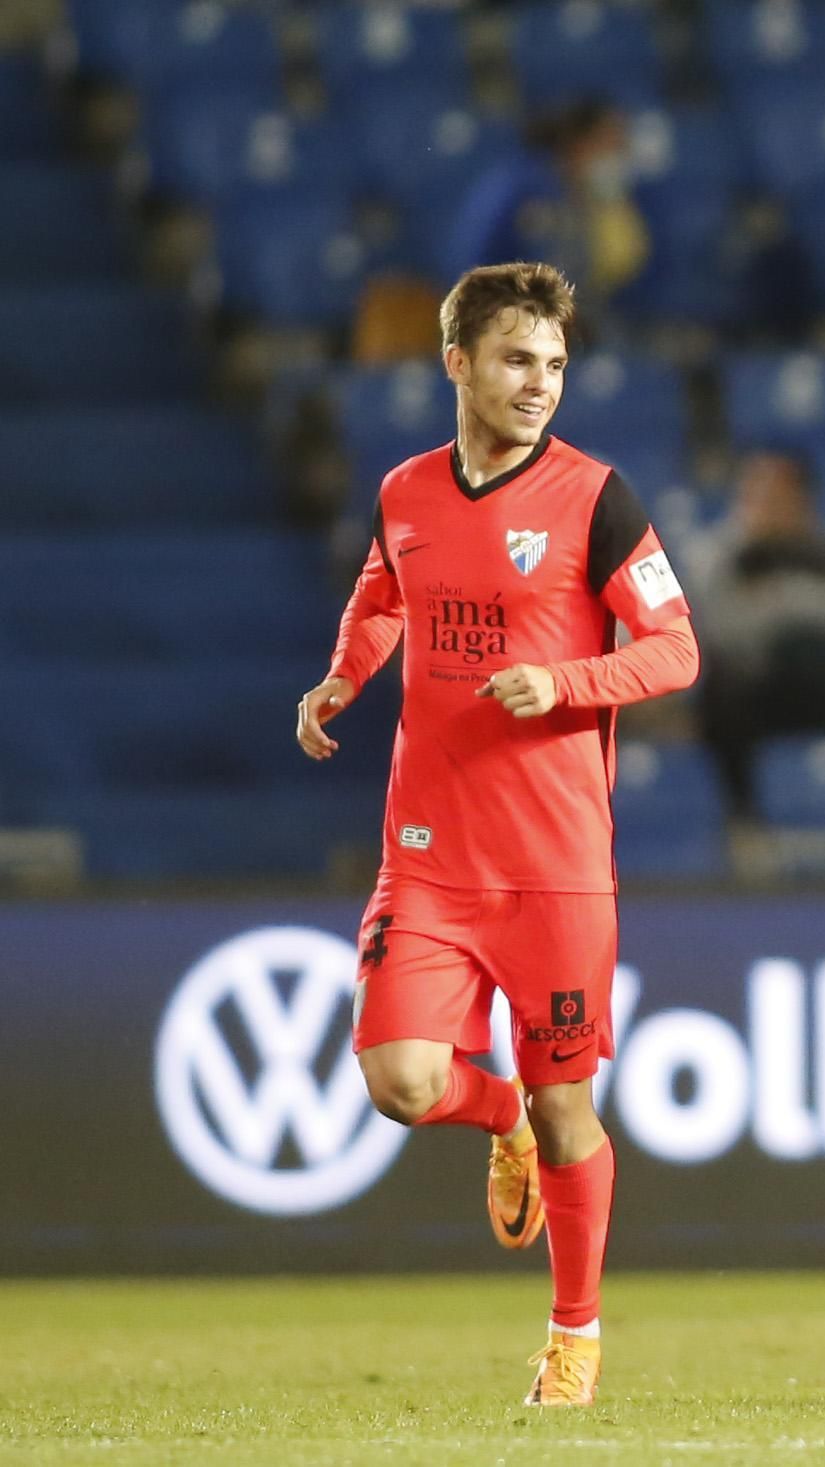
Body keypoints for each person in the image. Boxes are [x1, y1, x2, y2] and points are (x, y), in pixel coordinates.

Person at [294, 263, 699, 1407]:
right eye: (519, 361)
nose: (540, 385)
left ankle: (574, 1341)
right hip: (427, 855)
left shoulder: (597, 497)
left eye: (557, 365)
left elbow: (675, 649)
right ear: (457, 362)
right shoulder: (407, 492)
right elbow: (382, 597)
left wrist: (565, 681)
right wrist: (342, 678)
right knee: (403, 1082)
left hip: (556, 869)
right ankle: (498, 1111)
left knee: (575, 1108)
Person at [690, 451, 825, 804]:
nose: (771, 507)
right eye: (759, 495)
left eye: (782, 495)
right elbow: (721, 625)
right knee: (723, 695)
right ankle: (742, 813)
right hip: (753, 683)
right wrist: (801, 602)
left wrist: (773, 599)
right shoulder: (719, 555)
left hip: (821, 679)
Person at [445, 100, 650, 304]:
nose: (619, 155)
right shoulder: (519, 186)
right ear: (580, 143)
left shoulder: (590, 198)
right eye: (612, 144)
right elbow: (472, 258)